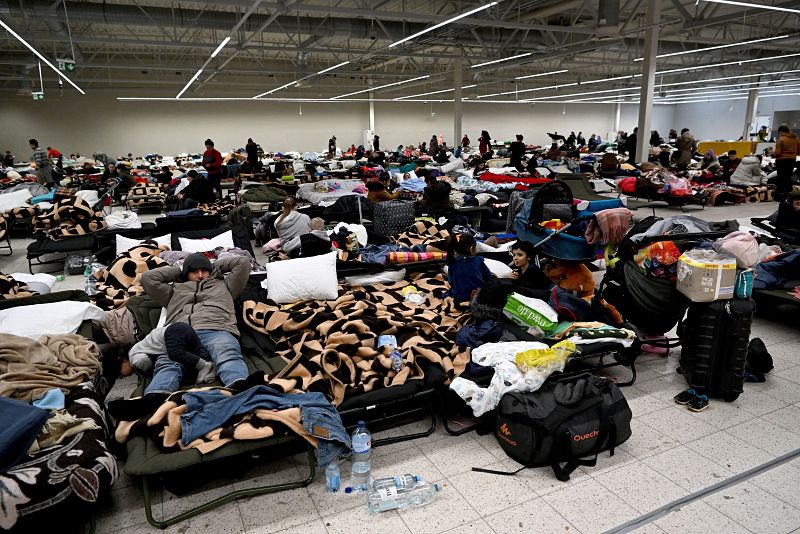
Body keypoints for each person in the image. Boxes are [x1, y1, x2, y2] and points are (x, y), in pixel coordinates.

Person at [108, 253, 251, 420]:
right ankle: (154, 399)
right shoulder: (173, 291)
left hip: (215, 328)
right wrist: (180, 271)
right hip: (181, 334)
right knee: (168, 362)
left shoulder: (225, 285)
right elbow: (147, 278)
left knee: (226, 351)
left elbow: (242, 261)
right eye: (194, 271)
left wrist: (213, 266)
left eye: (204, 271)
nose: (200, 275)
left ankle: (242, 388)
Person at [127, 322, 216, 384]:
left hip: (172, 331)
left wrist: (149, 368)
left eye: (121, 371)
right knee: (196, 350)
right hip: (182, 327)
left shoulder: (132, 355)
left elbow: (142, 361)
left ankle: (203, 365)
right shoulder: (140, 346)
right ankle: (211, 367)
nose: (123, 376)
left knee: (175, 353)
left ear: (123, 360)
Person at [446, 233, 493, 303]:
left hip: (459, 298)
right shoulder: (478, 260)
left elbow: (451, 282)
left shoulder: (452, 263)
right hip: (478, 296)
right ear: (471, 248)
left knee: (448, 292)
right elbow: (489, 276)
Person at [774, 125, 799, 201]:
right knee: (788, 178)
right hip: (792, 160)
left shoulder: (781, 139)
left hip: (781, 161)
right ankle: (788, 195)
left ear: (781, 131)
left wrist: (773, 153)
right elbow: (798, 151)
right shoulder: (796, 139)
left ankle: (779, 196)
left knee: (781, 178)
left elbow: (778, 152)